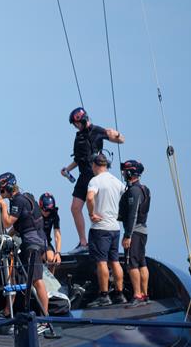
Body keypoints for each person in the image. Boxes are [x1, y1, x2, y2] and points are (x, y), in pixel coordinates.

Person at [62, 107, 125, 253]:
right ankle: (83, 243)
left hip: (95, 175)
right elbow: (78, 159)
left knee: (97, 209)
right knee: (75, 208)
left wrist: (116, 134)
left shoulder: (97, 131)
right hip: (82, 175)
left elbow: (121, 140)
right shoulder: (78, 136)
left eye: (76, 123)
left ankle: (102, 242)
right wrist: (67, 169)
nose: (75, 126)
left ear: (83, 120)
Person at [0, 172, 50, 317]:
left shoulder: (18, 201)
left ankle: (45, 318)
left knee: (37, 281)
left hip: (33, 244)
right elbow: (18, 225)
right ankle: (9, 311)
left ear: (9, 188)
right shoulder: (24, 197)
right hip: (32, 241)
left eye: (1, 190)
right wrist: (3, 237)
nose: (0, 194)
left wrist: (2, 206)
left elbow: (7, 223)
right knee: (16, 278)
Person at [85, 154, 127, 307]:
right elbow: (125, 197)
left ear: (95, 165)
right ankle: (119, 294)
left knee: (101, 262)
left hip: (100, 228)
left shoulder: (95, 181)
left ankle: (104, 295)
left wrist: (91, 214)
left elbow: (90, 198)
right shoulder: (117, 181)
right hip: (115, 228)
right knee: (114, 261)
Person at [119, 160, 151, 306]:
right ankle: (145, 295)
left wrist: (127, 236)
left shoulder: (134, 191)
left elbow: (133, 215)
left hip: (135, 232)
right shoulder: (145, 189)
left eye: (125, 171)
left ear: (131, 173)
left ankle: (137, 295)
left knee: (132, 263)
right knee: (142, 262)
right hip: (143, 231)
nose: (124, 174)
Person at [38, 193, 62, 271]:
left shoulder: (54, 215)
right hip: (32, 241)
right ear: (40, 207)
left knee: (52, 260)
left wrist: (58, 252)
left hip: (46, 242)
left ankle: (51, 281)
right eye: (45, 210)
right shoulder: (34, 213)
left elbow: (57, 235)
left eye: (50, 210)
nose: (47, 212)